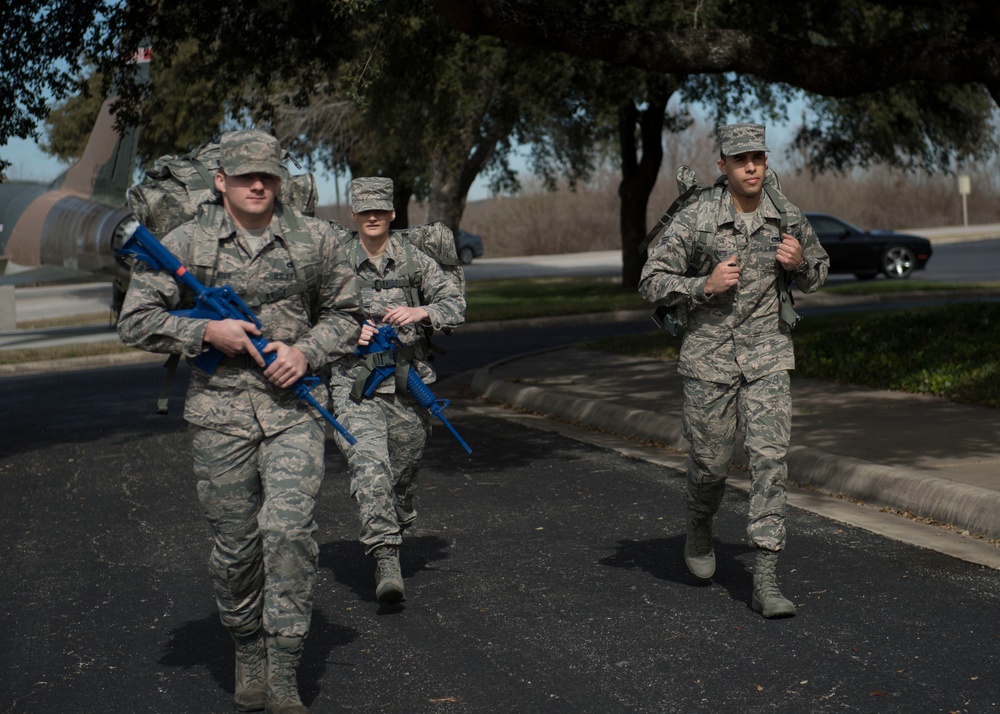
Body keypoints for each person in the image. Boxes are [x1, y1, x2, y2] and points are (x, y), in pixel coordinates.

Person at [118, 130, 363, 713]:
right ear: (221, 181)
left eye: (269, 176)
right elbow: (136, 321)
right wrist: (206, 331)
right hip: (220, 415)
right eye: (246, 175)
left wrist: (306, 352)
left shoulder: (318, 238)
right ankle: (246, 643)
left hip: (294, 410)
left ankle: (282, 666)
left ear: (279, 181)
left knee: (287, 530)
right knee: (235, 547)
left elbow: (348, 313)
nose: (259, 184)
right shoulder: (180, 243)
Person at [638, 123, 830, 619]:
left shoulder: (784, 214)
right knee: (711, 463)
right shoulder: (698, 216)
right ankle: (700, 524)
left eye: (758, 158)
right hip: (710, 361)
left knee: (770, 460)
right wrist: (703, 285)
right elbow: (651, 280)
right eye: (740, 159)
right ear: (722, 165)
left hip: (768, 357)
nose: (751, 166)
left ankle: (765, 578)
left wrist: (800, 263)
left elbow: (819, 269)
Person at [329, 177, 465, 605]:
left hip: (409, 383)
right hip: (355, 386)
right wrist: (351, 332)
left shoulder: (415, 260)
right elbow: (309, 316)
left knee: (402, 477)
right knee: (371, 468)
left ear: (391, 214)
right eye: (364, 210)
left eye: (380, 210)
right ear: (353, 216)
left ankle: (396, 520)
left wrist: (420, 310)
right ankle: (386, 557)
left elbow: (455, 304)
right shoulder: (335, 262)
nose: (372, 217)